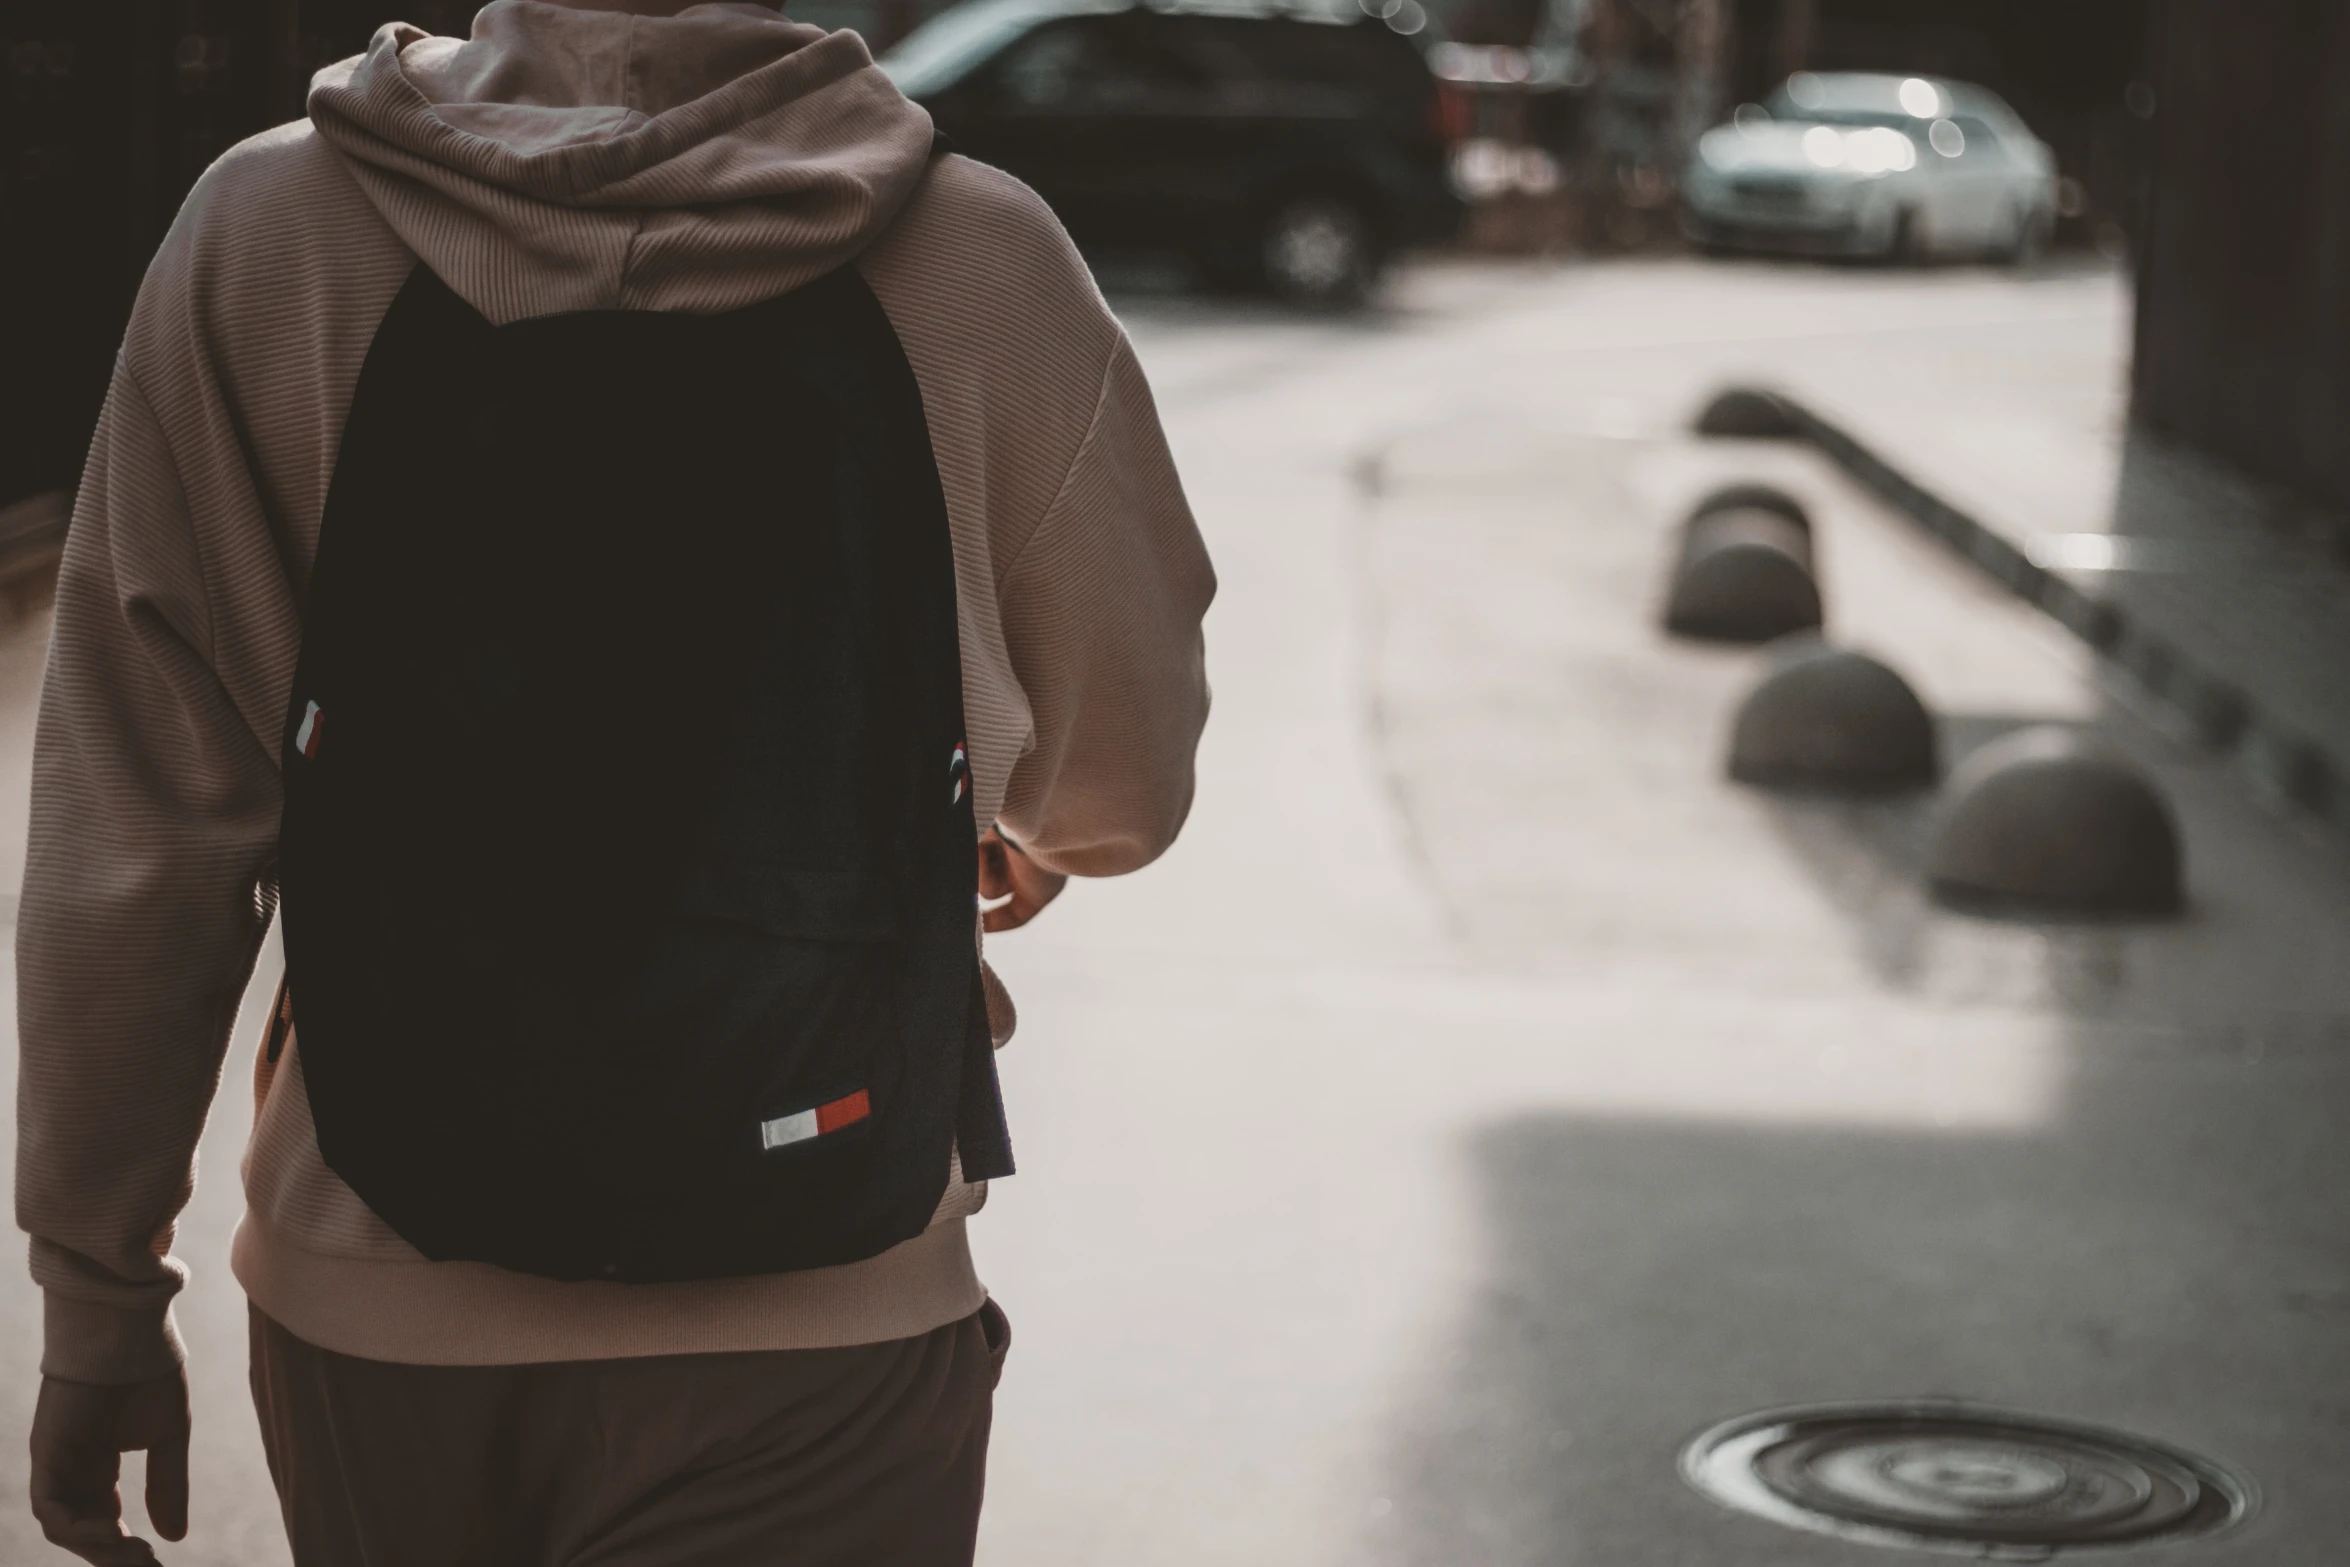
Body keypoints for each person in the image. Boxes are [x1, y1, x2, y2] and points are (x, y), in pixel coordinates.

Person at [16, 3, 1214, 1562]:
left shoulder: (272, 232)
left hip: (382, 1295)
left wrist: (97, 1289)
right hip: (827, 1302)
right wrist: (1011, 821)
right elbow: (1128, 781)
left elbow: (140, 832)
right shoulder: (977, 257)